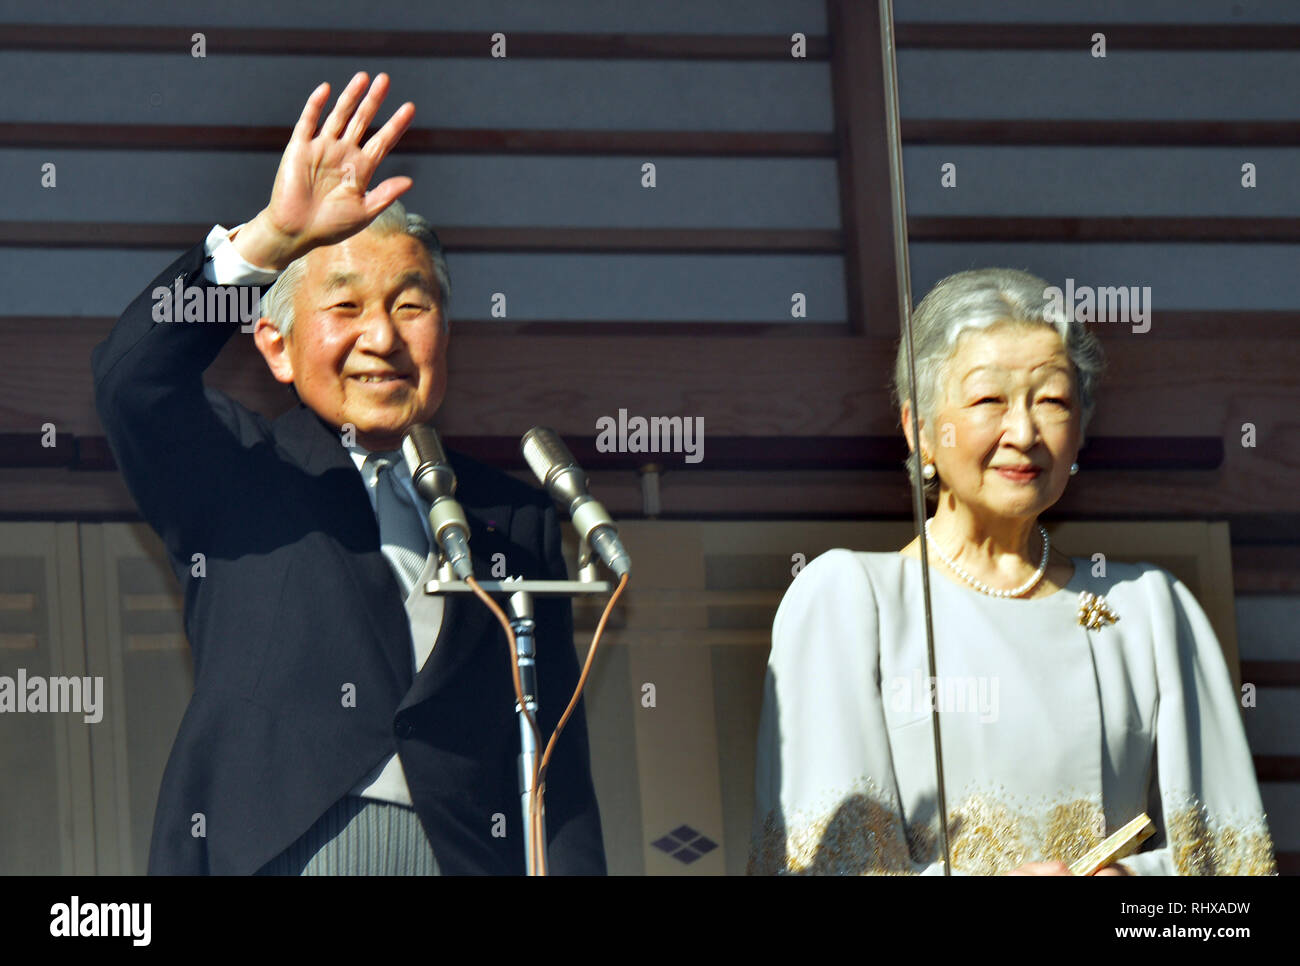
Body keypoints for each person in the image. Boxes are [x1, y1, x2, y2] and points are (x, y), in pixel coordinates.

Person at [92, 72, 605, 875]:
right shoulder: (236, 471)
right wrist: (265, 238)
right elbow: (132, 379)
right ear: (275, 346)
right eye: (345, 307)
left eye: (411, 305)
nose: (382, 338)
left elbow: (556, 768)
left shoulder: (515, 515)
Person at [748, 268, 1276, 876]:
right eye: (988, 400)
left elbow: (1232, 884)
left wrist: (1128, 883)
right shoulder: (849, 601)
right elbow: (823, 864)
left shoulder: (1149, 610)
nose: (1023, 433)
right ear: (918, 427)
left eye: (1051, 401)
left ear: (1081, 431)